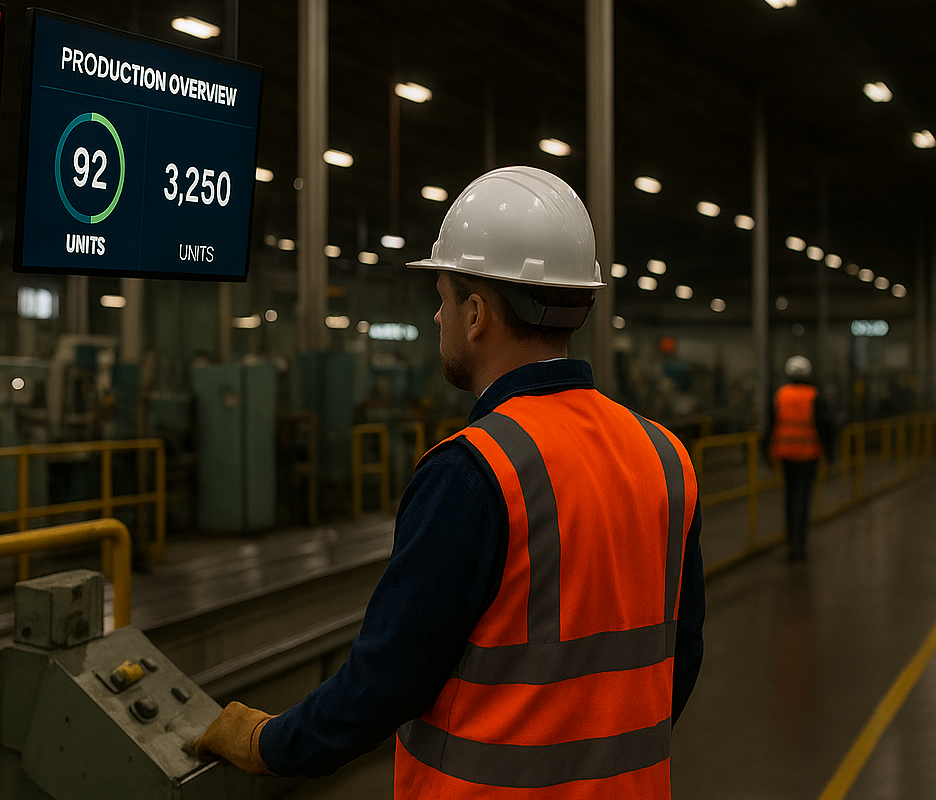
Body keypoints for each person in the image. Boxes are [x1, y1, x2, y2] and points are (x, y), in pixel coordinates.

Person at [196, 166, 706, 797]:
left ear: (474, 314)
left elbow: (384, 682)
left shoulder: (472, 472)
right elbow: (679, 660)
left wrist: (270, 743)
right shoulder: (665, 456)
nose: (436, 316)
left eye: (441, 297)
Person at [764, 354, 834, 561]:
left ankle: (790, 542)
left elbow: (770, 425)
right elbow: (824, 426)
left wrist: (766, 452)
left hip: (785, 454)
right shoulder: (814, 396)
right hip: (808, 455)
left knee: (789, 497)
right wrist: (830, 454)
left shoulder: (780, 395)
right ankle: (799, 544)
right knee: (803, 498)